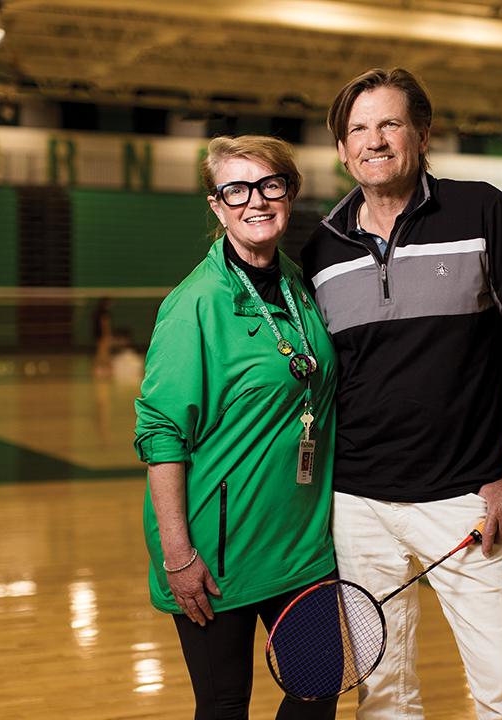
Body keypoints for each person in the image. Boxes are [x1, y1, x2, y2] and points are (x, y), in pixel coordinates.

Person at [301, 68, 502, 720]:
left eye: (389, 123)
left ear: (422, 132)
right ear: (341, 150)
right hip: (358, 507)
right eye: (358, 129)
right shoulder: (319, 250)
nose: (375, 140)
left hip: (466, 501)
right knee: (382, 693)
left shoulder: (481, 211)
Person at [134, 135, 339, 720]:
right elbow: (160, 433)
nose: (257, 200)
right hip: (215, 555)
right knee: (225, 707)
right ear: (217, 205)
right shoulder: (194, 303)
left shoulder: (301, 286)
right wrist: (178, 554)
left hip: (304, 548)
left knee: (317, 695)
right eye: (237, 189)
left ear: (290, 194)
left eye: (271, 184)